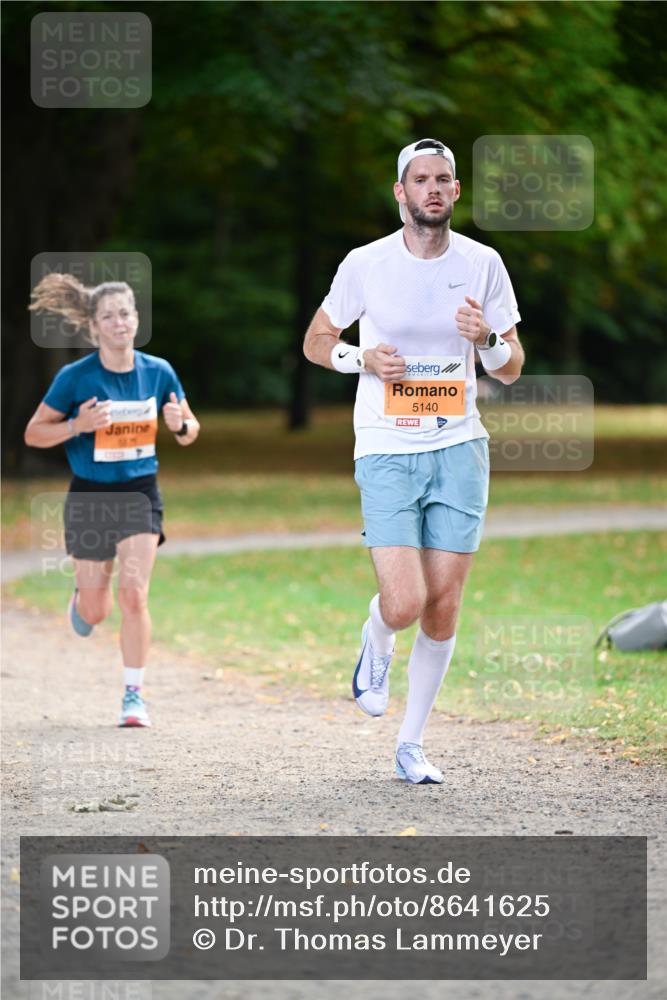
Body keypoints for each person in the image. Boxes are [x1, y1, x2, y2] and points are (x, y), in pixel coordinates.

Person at [304, 139, 525, 783]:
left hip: (459, 446)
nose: (432, 188)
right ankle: (377, 640)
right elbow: (318, 340)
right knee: (404, 601)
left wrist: (483, 338)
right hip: (386, 447)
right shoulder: (365, 264)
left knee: (444, 605)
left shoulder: (483, 263)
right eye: (419, 179)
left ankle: (411, 743)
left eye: (444, 179)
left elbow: (512, 369)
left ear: (456, 192)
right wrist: (360, 358)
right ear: (400, 193)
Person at [24, 273, 200, 728]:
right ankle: (81, 599)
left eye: (126, 313)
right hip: (90, 496)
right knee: (95, 610)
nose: (119, 322)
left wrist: (180, 423)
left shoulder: (158, 372)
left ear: (136, 319)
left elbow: (189, 433)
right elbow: (33, 433)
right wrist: (75, 427)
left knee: (134, 595)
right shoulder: (75, 378)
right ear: (95, 326)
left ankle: (133, 696)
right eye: (109, 316)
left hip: (140, 492)